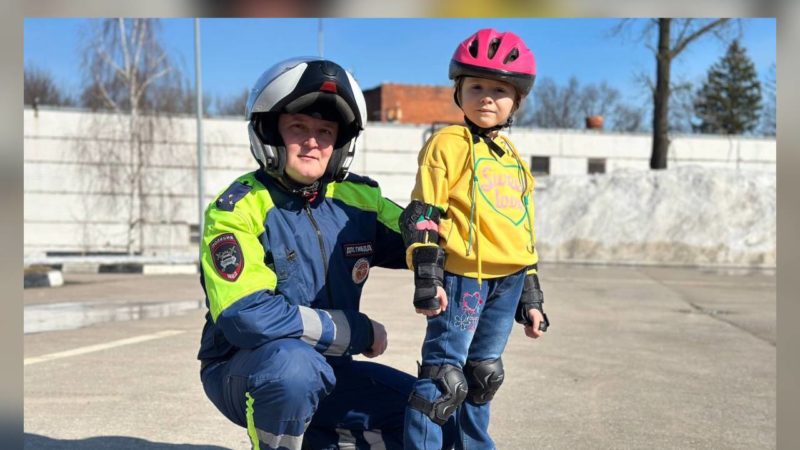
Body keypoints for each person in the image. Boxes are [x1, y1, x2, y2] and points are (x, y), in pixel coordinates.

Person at [197, 57, 434, 450]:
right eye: (298, 128)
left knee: (428, 413)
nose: (313, 141)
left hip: (331, 369)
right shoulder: (238, 208)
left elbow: (420, 236)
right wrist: (355, 330)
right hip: (244, 368)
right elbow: (247, 317)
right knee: (294, 370)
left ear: (340, 144)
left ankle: (321, 438)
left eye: (325, 132)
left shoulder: (360, 199)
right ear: (270, 132)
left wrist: (438, 227)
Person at [398, 28, 551, 449]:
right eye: (476, 85)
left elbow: (523, 230)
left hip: (509, 281)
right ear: (458, 91)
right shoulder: (446, 144)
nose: (487, 97)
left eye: (499, 89)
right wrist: (428, 275)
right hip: (465, 279)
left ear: (516, 100)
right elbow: (424, 212)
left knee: (483, 375)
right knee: (445, 377)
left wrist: (531, 295)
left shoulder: (515, 159)